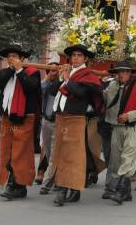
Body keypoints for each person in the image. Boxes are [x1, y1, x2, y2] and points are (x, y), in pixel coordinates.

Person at [50, 45, 102, 206]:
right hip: (61, 117)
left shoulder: (88, 74)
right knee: (60, 153)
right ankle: (66, 187)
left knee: (73, 156)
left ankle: (69, 189)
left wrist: (67, 79)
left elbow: (80, 93)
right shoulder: (68, 72)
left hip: (76, 118)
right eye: (73, 55)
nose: (75, 58)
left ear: (85, 58)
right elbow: (53, 91)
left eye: (79, 55)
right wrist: (60, 77)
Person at [0, 45, 41, 200]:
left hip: (25, 118)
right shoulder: (4, 73)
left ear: (22, 58)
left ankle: (17, 185)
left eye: (14, 55)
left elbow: (31, 88)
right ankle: (15, 185)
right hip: (7, 118)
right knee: (7, 152)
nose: (11, 58)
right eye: (9, 56)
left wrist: (19, 71)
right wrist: (11, 70)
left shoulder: (33, 72)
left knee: (20, 153)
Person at [103, 60, 136, 205]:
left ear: (130, 73)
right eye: (119, 71)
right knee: (115, 160)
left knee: (128, 159)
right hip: (115, 127)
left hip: (132, 127)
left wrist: (129, 116)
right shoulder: (112, 85)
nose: (122, 74)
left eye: (125, 71)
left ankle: (120, 191)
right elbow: (103, 98)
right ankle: (120, 190)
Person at [38, 63, 61, 195]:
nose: (55, 73)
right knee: (47, 151)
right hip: (46, 121)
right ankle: (55, 178)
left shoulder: (62, 82)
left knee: (54, 153)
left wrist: (60, 77)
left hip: (58, 122)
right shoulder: (46, 84)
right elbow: (40, 87)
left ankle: (47, 182)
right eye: (52, 70)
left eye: (56, 70)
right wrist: (48, 77)